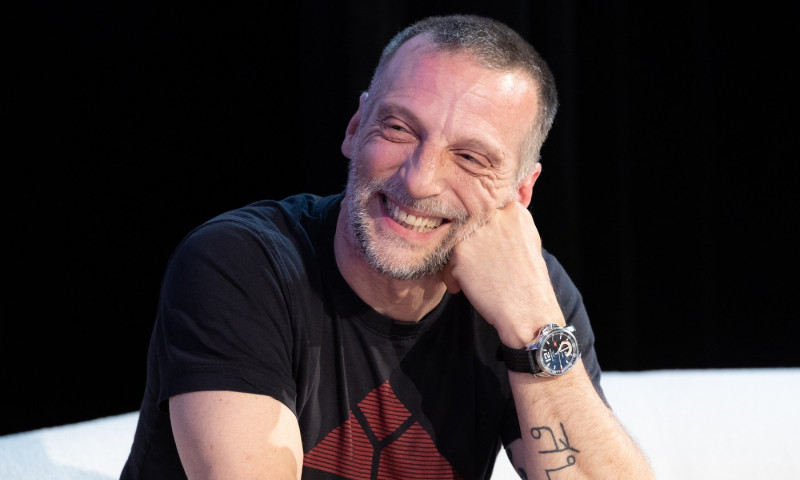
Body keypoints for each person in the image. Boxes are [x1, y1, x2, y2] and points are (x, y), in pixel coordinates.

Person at [120, 14, 655, 480]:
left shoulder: (532, 299)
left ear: (519, 194)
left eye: (470, 158)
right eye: (399, 128)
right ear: (356, 127)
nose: (420, 181)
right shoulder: (239, 265)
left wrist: (533, 325)